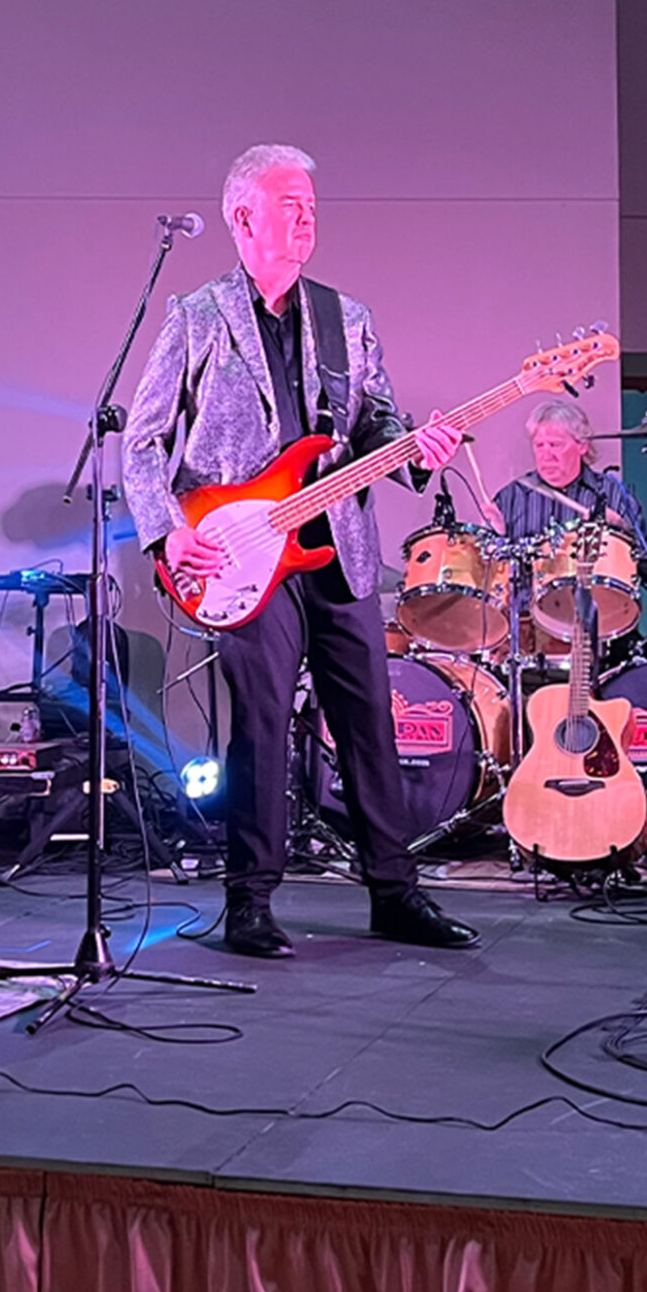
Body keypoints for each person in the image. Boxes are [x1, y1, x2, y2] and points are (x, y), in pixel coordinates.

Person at [124, 144, 476, 958]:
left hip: (338, 545)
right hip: (243, 555)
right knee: (261, 725)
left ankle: (395, 892)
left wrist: (417, 451)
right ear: (243, 217)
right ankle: (249, 900)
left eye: (312, 205)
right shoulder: (196, 316)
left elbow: (376, 422)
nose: (308, 217)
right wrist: (170, 531)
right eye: (291, 204)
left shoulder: (346, 318)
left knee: (369, 723)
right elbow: (142, 442)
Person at [484, 397, 647, 651]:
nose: (546, 454)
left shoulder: (611, 494)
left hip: (600, 628)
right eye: (539, 445)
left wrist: (622, 528)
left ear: (582, 446)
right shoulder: (512, 497)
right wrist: (496, 539)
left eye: (555, 444)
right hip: (528, 636)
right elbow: (490, 578)